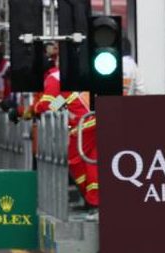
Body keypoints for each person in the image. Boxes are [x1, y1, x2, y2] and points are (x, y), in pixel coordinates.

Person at [34, 44, 99, 208]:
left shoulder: (54, 78)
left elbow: (46, 105)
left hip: (84, 124)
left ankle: (93, 200)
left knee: (75, 159)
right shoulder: (70, 75)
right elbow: (63, 99)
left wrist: (34, 109)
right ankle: (92, 199)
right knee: (91, 158)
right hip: (94, 119)